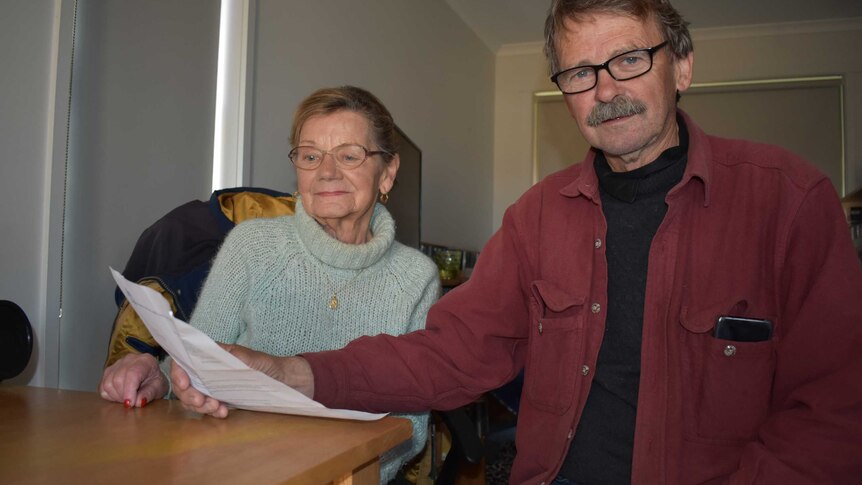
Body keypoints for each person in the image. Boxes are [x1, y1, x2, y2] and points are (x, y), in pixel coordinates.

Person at [171, 1, 862, 483]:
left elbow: (834, 413)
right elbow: (451, 353)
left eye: (627, 59)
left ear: (680, 65)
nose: (606, 91)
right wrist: (291, 372)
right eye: (580, 73)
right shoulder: (536, 218)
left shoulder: (788, 200)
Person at [99, 85, 441, 483]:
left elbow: (409, 427)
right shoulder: (252, 246)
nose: (327, 172)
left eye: (349, 156)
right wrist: (158, 376)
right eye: (311, 156)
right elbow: (195, 363)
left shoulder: (416, 277)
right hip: (235, 467)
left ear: (388, 172)